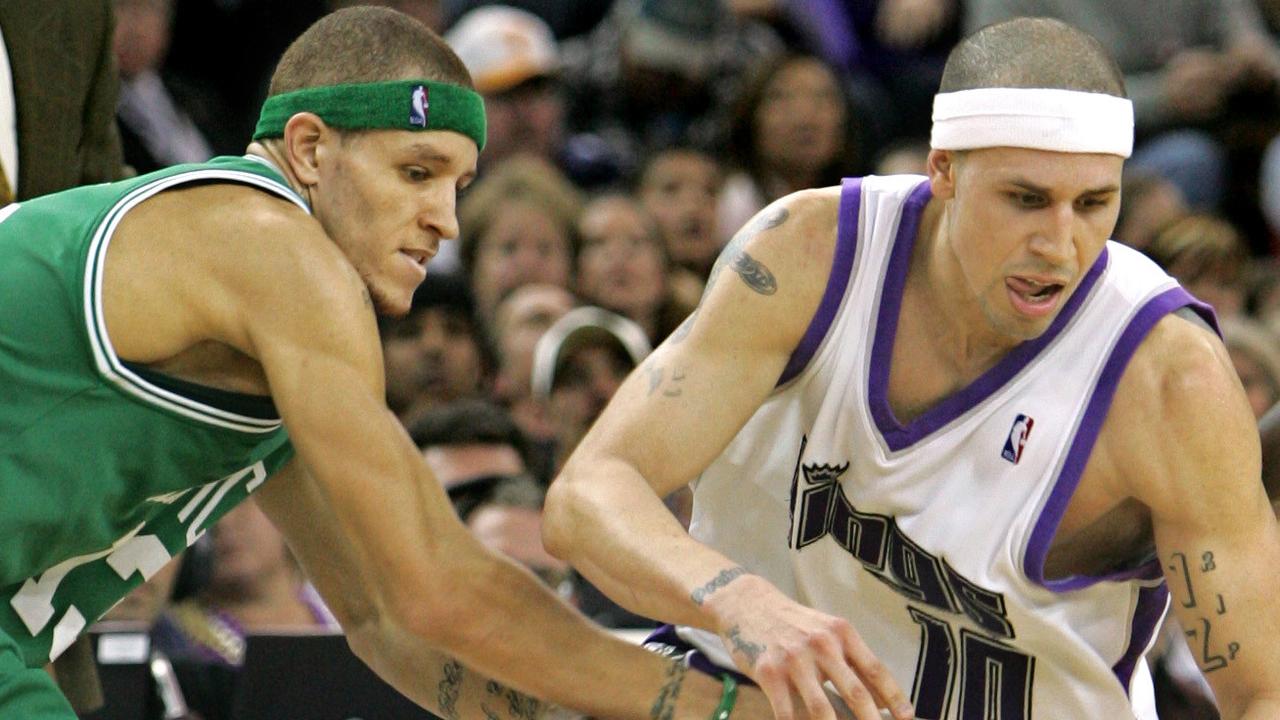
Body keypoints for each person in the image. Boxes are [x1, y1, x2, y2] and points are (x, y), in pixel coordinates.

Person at [0, 7, 767, 719]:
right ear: (308, 149)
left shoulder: (274, 338)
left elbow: (379, 620)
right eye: (415, 172)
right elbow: (438, 585)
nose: (446, 220)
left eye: (459, 186)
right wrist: (721, 709)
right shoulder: (271, 247)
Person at [543, 16, 1280, 720]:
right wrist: (739, 602)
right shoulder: (808, 257)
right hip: (750, 695)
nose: (1061, 244)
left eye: (1094, 203)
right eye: (1026, 200)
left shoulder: (1169, 378)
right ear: (944, 170)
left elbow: (1263, 691)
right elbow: (586, 497)